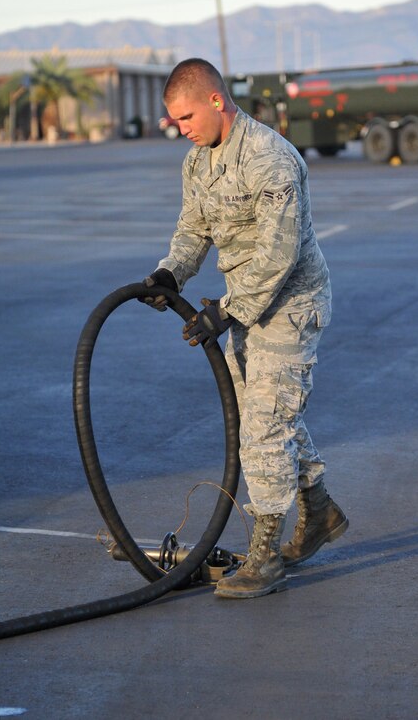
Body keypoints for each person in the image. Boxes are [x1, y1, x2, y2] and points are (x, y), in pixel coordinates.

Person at [139, 58, 348, 599]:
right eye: (175, 122)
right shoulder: (197, 163)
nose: (181, 129)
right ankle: (319, 511)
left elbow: (278, 256)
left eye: (185, 116)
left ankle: (265, 554)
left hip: (289, 304)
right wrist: (170, 272)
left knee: (261, 427)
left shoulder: (270, 157)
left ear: (215, 100)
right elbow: (193, 229)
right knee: (272, 414)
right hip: (243, 305)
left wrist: (225, 311)